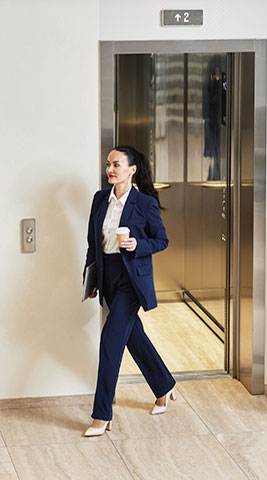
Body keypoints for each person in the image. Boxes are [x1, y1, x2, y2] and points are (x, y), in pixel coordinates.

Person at [83, 145, 176, 437]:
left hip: (131, 280)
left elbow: (161, 240)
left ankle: (101, 416)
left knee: (110, 341)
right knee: (133, 337)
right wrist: (92, 277)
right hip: (108, 276)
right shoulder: (100, 200)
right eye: (108, 164)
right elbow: (92, 243)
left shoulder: (144, 203)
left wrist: (139, 245)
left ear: (132, 170)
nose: (110, 169)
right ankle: (164, 385)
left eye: (117, 165)